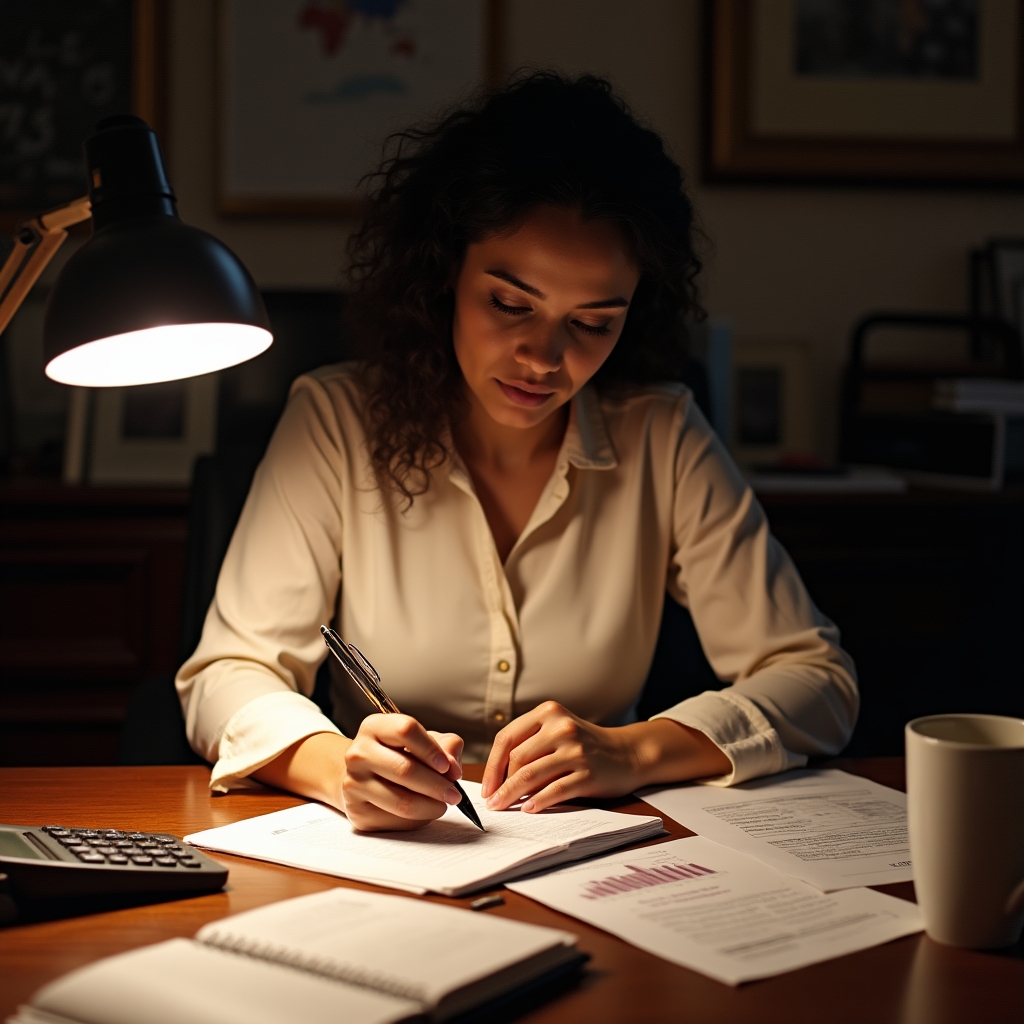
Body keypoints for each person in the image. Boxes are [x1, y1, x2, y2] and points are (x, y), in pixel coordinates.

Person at [176, 73, 857, 832]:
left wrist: (631, 752)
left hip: (600, 858)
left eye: (593, 322)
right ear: (444, 277)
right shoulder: (337, 422)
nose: (544, 358)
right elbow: (225, 677)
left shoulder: (661, 435)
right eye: (510, 304)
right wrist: (343, 770)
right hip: (385, 855)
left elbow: (818, 680)